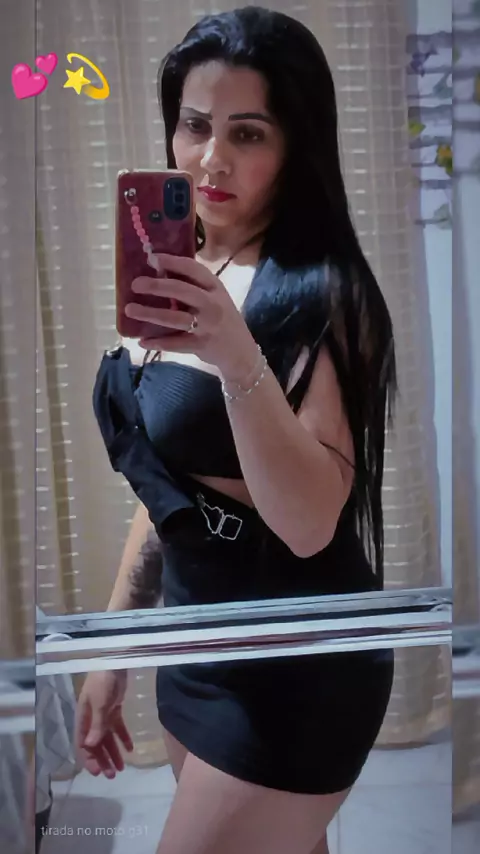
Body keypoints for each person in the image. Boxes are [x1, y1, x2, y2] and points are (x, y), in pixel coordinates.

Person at [76, 7, 397, 853]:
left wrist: (233, 351)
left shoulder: (326, 293)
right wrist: (115, 648)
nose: (211, 157)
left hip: (297, 668)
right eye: (195, 125)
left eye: (247, 133)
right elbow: (167, 489)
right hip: (194, 646)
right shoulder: (183, 270)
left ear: (296, 146)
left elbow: (308, 523)